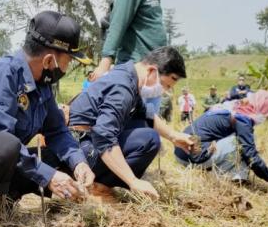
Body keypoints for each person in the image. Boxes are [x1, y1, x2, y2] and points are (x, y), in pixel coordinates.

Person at [0, 11, 96, 227]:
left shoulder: (41, 85)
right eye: (69, 60)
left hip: (7, 165)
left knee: (75, 154)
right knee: (7, 144)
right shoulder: (3, 74)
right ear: (49, 61)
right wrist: (49, 176)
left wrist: (79, 163)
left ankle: (3, 200)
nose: (67, 67)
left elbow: (57, 131)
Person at [67, 46, 195, 203]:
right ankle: (97, 189)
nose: (164, 91)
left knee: (141, 123)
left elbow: (145, 114)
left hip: (82, 142)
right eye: (165, 85)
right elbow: (103, 135)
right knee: (149, 139)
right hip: (78, 148)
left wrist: (174, 136)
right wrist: (133, 181)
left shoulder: (128, 76)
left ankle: (102, 181)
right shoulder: (123, 87)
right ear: (151, 71)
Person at [90, 0, 185, 119]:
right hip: (135, 73)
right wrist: (105, 63)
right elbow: (118, 25)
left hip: (152, 76)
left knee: (147, 131)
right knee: (132, 130)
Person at [174, 90, 268, 191]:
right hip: (193, 157)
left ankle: (221, 173)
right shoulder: (242, 119)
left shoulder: (234, 107)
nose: (265, 119)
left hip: (181, 152)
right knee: (241, 144)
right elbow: (250, 155)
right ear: (261, 110)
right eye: (266, 115)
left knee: (242, 142)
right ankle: (232, 179)